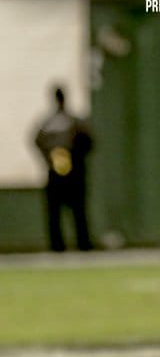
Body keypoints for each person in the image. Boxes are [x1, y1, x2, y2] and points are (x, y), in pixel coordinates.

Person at [33, 85, 94, 252]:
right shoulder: (73, 121)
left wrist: (50, 158)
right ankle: (81, 244)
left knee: (59, 212)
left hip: (58, 172)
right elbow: (89, 141)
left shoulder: (47, 123)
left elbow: (37, 141)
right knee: (75, 210)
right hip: (71, 173)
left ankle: (59, 245)